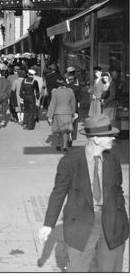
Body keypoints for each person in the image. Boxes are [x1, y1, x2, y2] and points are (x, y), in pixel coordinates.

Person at [38, 115, 129, 272]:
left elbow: (118, 189)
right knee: (78, 269)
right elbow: (58, 193)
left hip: (111, 222)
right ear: (95, 139)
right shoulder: (69, 161)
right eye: (109, 135)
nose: (113, 138)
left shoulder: (113, 159)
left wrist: (122, 217)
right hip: (80, 223)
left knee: (110, 269)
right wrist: (48, 224)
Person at [47, 76, 77, 153]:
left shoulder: (55, 92)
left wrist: (50, 116)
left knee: (58, 130)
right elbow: (73, 103)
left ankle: (58, 144)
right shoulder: (70, 91)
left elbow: (52, 104)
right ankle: (65, 147)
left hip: (58, 113)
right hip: (67, 112)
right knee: (65, 131)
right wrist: (73, 113)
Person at [65, 72, 82, 146]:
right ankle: (72, 136)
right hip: (74, 107)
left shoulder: (65, 87)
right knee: (74, 123)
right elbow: (79, 98)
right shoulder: (77, 87)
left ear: (68, 80)